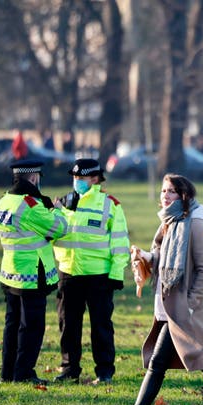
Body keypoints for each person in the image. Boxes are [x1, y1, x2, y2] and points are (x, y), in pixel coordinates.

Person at [99, 174, 203, 405]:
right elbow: (165, 259)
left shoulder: (194, 224)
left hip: (188, 311)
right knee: (188, 365)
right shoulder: (170, 222)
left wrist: (188, 306)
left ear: (184, 197)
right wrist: (147, 257)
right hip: (170, 307)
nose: (165, 196)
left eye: (172, 192)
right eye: (164, 191)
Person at [52, 155, 130, 384]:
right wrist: (55, 212)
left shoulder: (110, 204)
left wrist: (116, 274)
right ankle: (69, 369)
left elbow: (119, 242)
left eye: (82, 177)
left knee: (101, 327)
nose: (77, 180)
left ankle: (104, 372)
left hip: (99, 276)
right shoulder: (64, 203)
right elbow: (54, 233)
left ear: (96, 179)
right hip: (69, 273)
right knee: (68, 325)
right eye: (75, 176)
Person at [0, 159, 68, 384]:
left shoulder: (5, 200)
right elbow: (59, 229)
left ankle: (8, 373)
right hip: (31, 275)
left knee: (12, 324)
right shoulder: (30, 205)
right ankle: (24, 373)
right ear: (34, 178)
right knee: (31, 327)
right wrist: (58, 211)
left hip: (10, 272)